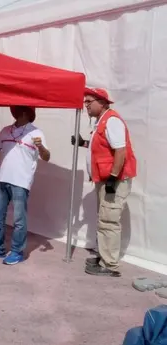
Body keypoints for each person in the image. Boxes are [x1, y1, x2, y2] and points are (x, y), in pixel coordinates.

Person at [72, 88, 136, 277]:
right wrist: (83, 143)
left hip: (113, 181)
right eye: (85, 102)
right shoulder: (102, 121)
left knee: (108, 220)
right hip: (106, 179)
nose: (86, 105)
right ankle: (104, 256)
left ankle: (110, 265)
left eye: (89, 101)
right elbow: (101, 148)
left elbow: (120, 151)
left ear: (102, 102)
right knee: (104, 218)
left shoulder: (112, 121)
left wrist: (113, 177)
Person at [0, 106, 50, 265]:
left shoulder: (36, 133)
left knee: (19, 219)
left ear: (25, 113)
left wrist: (41, 146)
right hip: (2, 179)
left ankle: (17, 251)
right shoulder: (5, 131)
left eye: (15, 109)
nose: (12, 112)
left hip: (21, 182)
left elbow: (46, 157)